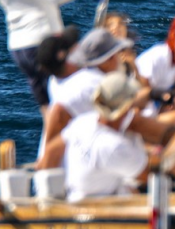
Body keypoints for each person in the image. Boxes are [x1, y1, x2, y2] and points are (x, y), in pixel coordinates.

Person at [39, 28, 137, 168]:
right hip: (69, 172)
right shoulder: (96, 85)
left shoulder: (58, 81)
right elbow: (133, 116)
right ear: (108, 60)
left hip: (56, 166)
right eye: (118, 54)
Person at [62, 72, 150, 201]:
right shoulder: (114, 146)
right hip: (100, 212)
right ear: (126, 108)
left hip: (75, 199)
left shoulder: (81, 122)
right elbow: (146, 175)